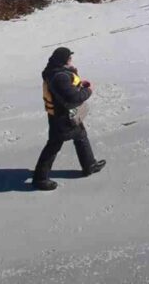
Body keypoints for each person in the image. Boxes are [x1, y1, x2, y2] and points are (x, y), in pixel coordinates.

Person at [32, 47, 105, 191]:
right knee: (53, 145)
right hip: (62, 117)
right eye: (69, 58)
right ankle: (40, 179)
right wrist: (88, 91)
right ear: (62, 61)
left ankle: (89, 165)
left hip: (65, 115)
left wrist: (79, 85)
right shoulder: (60, 77)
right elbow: (73, 99)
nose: (71, 60)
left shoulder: (55, 71)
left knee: (81, 136)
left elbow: (67, 90)